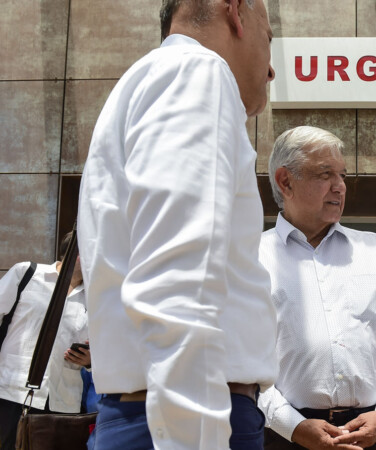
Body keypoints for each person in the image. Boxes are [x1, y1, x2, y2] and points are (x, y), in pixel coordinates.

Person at [76, 0, 277, 448]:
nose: (271, 71)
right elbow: (177, 283)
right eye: (270, 39)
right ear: (237, 13)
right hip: (184, 420)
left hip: (152, 415)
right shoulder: (198, 72)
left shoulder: (153, 79)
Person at [258, 125, 376, 450]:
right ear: (285, 181)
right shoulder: (250, 259)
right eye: (325, 174)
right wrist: (291, 425)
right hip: (284, 436)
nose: (340, 187)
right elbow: (242, 363)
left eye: (343, 175)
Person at [0, 231, 90, 450]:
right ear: (72, 252)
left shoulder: (96, 298)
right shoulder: (26, 273)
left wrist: (89, 361)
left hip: (63, 401)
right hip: (12, 391)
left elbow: (106, 352)